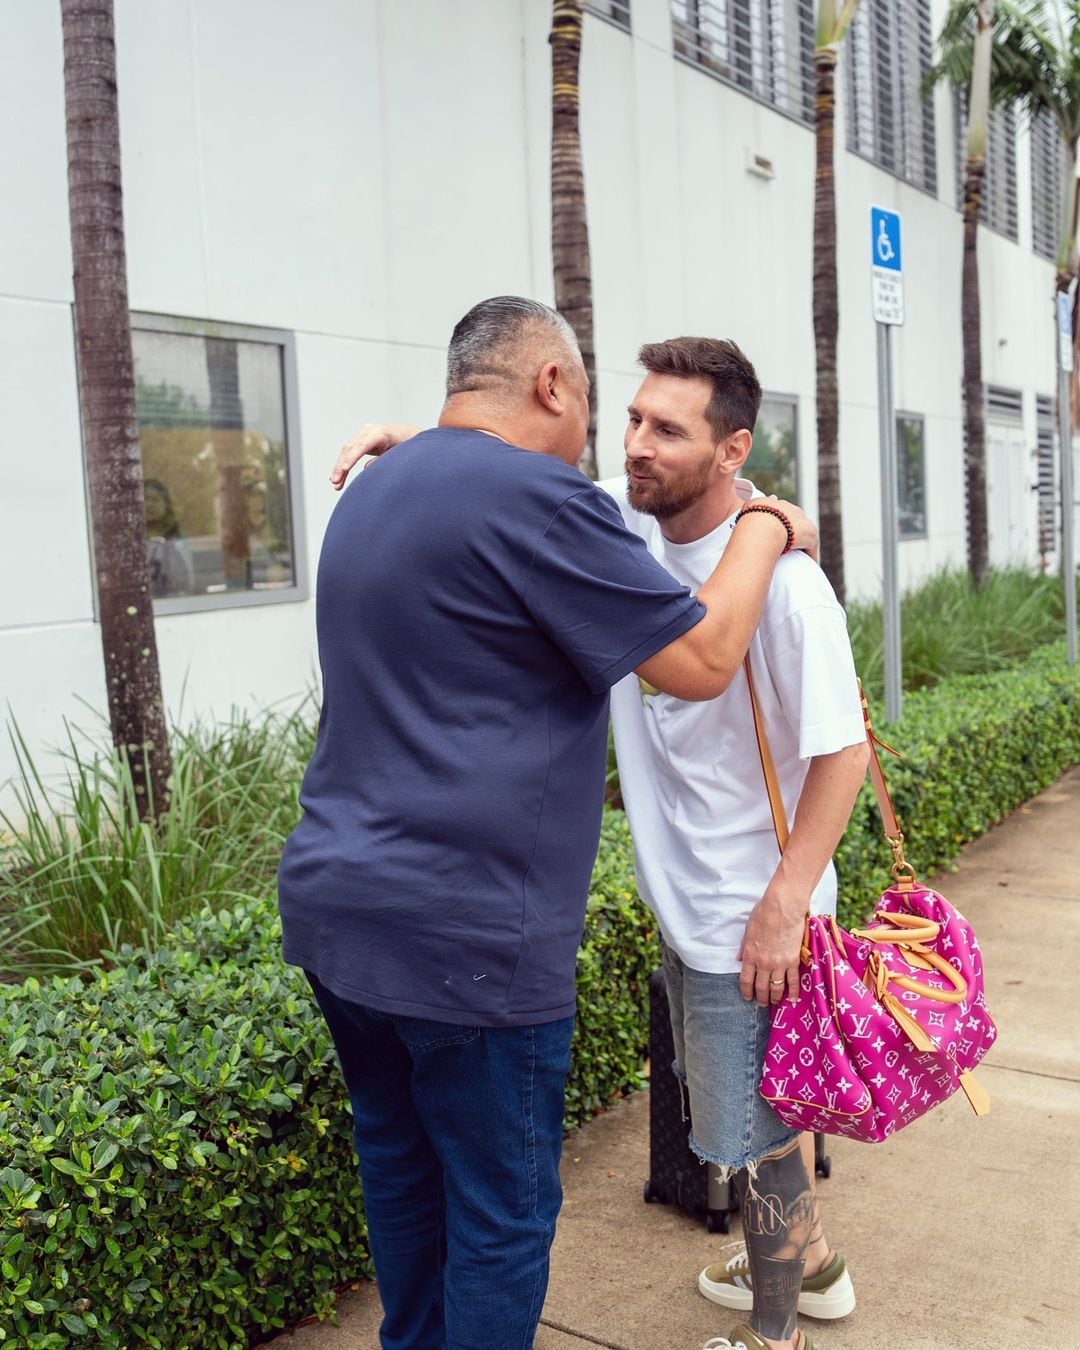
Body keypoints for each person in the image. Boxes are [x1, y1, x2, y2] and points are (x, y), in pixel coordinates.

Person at [279, 296, 815, 1350]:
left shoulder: (374, 486)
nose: (613, 447)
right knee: (499, 1208)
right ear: (551, 385)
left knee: (401, 1168)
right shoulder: (534, 498)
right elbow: (704, 662)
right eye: (606, 411)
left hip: (339, 914)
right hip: (468, 938)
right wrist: (762, 520)